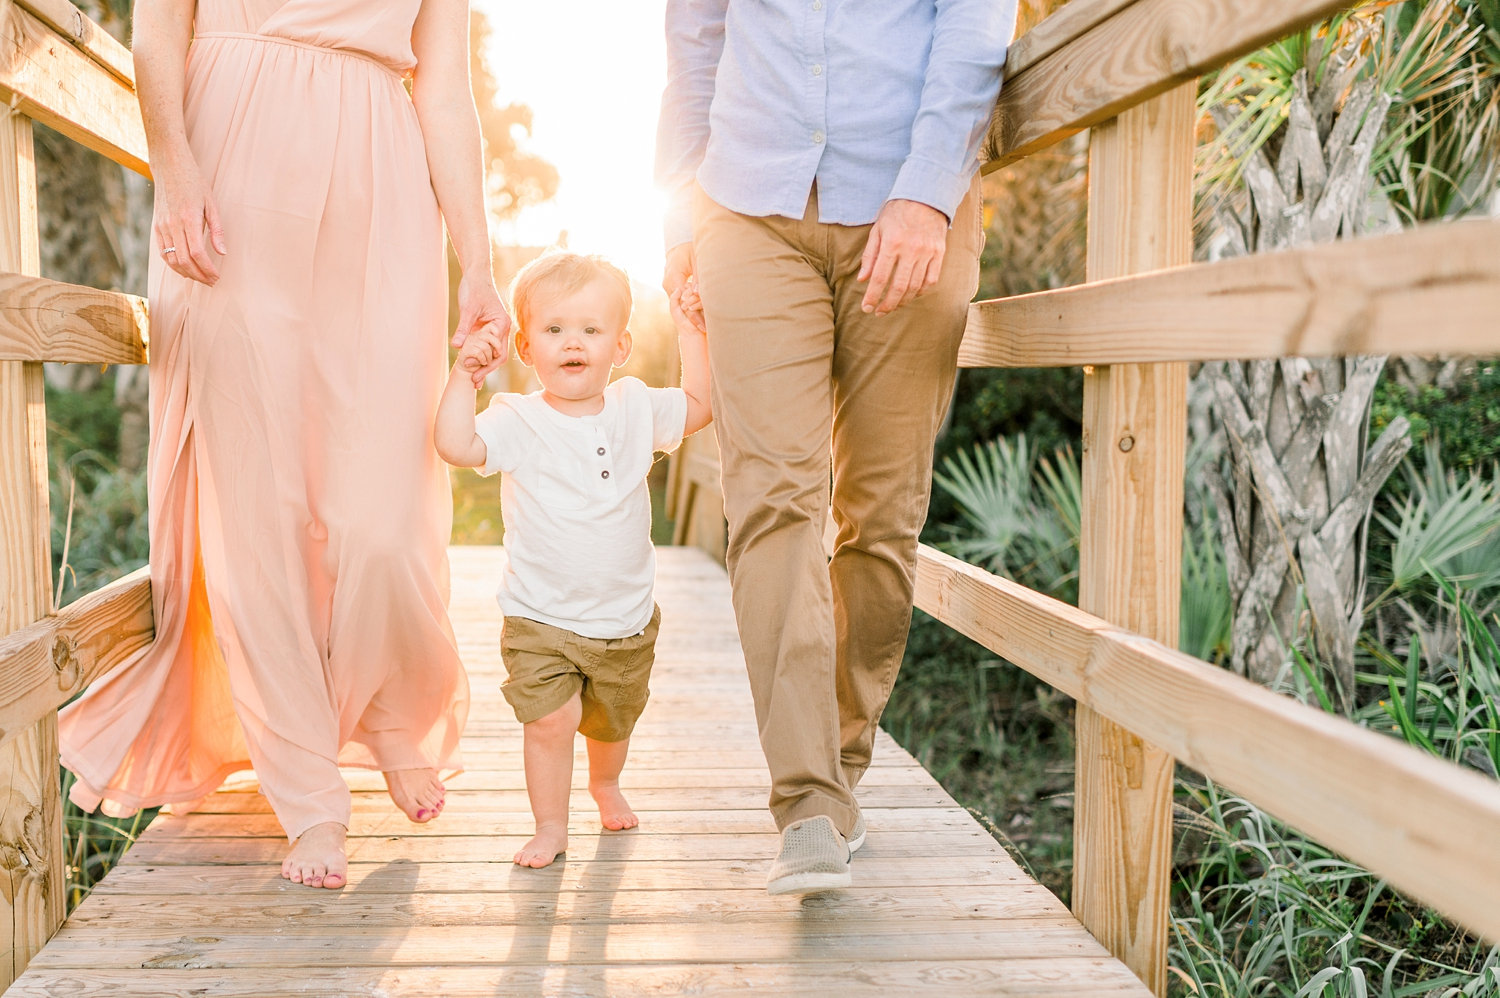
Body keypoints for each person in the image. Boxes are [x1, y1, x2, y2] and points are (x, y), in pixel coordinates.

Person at [58, 0, 509, 890]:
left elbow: (448, 90)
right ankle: (309, 794)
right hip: (232, 159)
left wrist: (481, 264)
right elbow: (158, 33)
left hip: (382, 182)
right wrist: (177, 173)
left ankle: (389, 711)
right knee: (256, 500)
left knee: (383, 509)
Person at [656, 0, 1017, 894]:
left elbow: (975, 29)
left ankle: (842, 758)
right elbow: (695, 39)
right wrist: (678, 213)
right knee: (774, 497)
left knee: (882, 513)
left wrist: (928, 191)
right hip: (746, 206)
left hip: (906, 207)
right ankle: (809, 802)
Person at [434, 252, 712, 868]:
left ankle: (605, 783)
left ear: (620, 345)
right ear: (528, 349)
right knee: (551, 722)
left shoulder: (637, 407)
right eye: (554, 330)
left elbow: (700, 404)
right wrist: (464, 378)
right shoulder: (518, 419)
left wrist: (693, 330)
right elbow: (456, 445)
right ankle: (550, 826)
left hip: (623, 621)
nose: (573, 342)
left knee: (612, 723)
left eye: (591, 328)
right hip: (541, 619)